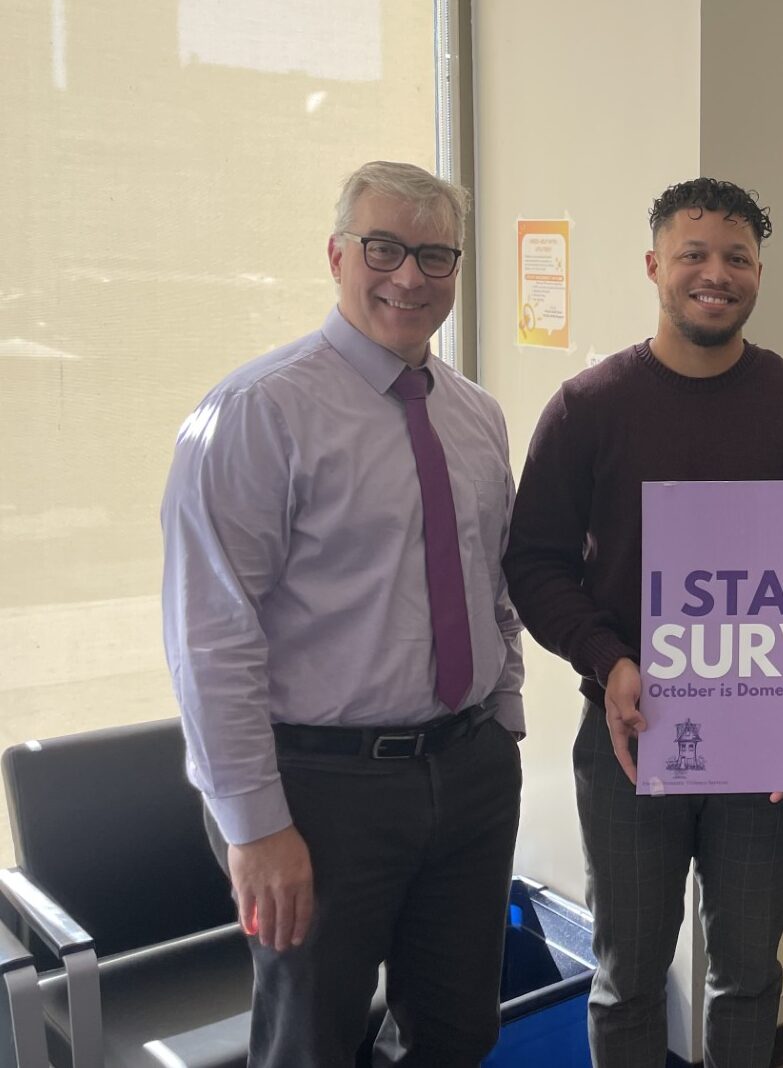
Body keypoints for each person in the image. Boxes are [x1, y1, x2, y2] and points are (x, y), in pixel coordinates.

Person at [161, 160, 525, 1065]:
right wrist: (255, 827)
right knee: (309, 1043)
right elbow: (209, 636)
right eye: (384, 248)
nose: (410, 276)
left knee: (455, 1033)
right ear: (336, 255)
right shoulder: (256, 412)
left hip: (469, 770)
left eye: (435, 255)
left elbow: (493, 586)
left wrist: (503, 714)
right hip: (320, 791)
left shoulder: (476, 416)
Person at [503, 178, 783, 1068]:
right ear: (655, 265)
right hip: (630, 734)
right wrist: (608, 658)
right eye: (693, 254)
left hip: (763, 743)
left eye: (736, 257)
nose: (715, 273)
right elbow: (534, 564)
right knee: (627, 975)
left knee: (747, 973)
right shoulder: (589, 406)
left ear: (759, 274)